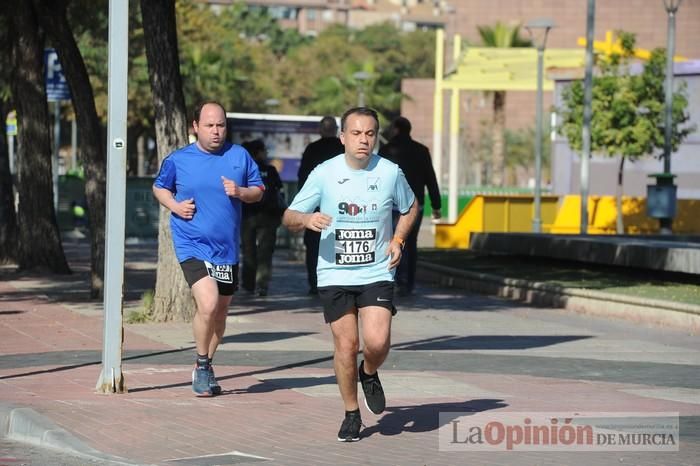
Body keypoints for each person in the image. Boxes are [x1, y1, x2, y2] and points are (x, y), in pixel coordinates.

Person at [283, 107, 418, 442]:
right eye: (356, 133)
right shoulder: (324, 173)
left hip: (376, 270)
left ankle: (368, 371)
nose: (363, 140)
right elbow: (289, 215)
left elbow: (411, 207)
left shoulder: (389, 173)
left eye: (370, 134)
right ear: (342, 137)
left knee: (376, 342)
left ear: (376, 137)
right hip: (334, 273)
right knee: (346, 344)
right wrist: (307, 220)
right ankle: (351, 413)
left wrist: (399, 239)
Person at [152, 101, 264, 397]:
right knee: (209, 303)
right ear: (195, 127)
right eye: (210, 125)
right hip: (191, 242)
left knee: (221, 312)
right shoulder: (179, 160)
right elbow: (159, 187)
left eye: (221, 125)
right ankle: (202, 366)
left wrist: (240, 192)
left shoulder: (239, 156)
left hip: (226, 248)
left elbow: (258, 191)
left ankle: (207, 364)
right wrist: (175, 205)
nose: (216, 131)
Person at [379, 116, 442, 296]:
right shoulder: (421, 151)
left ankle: (392, 279)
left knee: (391, 241)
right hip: (416, 206)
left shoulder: (386, 150)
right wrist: (436, 205)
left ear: (396, 129)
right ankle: (408, 283)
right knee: (410, 243)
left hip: (391, 206)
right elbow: (431, 179)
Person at [297, 116, 345, 295]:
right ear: (336, 130)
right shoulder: (342, 148)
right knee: (340, 241)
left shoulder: (312, 149)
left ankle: (314, 282)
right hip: (341, 206)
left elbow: (302, 177)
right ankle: (336, 280)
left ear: (320, 130)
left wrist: (305, 206)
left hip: (317, 206)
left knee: (313, 246)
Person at [240, 139, 284, 297]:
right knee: (265, 253)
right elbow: (279, 190)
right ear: (258, 152)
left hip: (247, 215)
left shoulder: (245, 169)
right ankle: (262, 285)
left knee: (248, 251)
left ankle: (248, 284)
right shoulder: (270, 170)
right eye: (264, 150)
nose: (266, 154)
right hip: (268, 216)